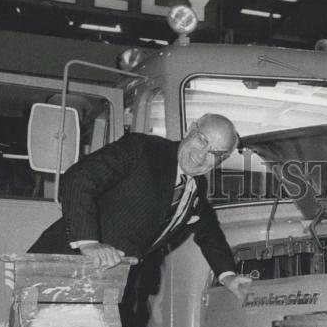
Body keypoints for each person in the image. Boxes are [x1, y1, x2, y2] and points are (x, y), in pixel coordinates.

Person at [28, 113, 252, 308]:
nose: (202, 154)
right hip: (61, 266)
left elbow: (208, 230)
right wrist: (89, 242)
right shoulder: (142, 149)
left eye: (215, 152)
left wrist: (228, 276)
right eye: (202, 140)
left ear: (222, 160)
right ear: (191, 129)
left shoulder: (195, 186)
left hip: (106, 284)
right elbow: (79, 179)